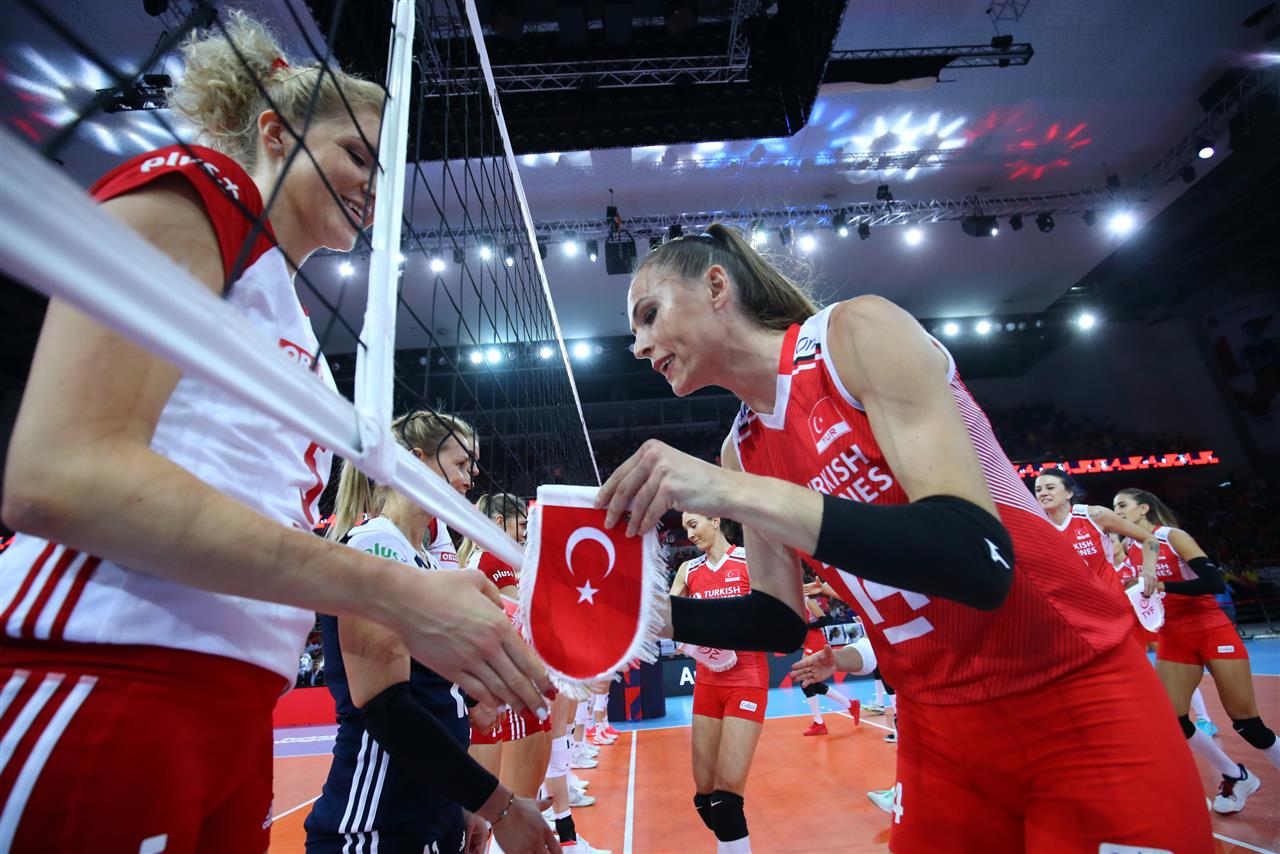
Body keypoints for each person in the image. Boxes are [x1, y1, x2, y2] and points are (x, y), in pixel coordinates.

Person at [0, 12, 550, 852]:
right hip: (106, 668)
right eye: (356, 154)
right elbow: (57, 475)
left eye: (385, 170)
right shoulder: (199, 194)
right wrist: (397, 594)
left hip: (236, 705)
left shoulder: (301, 339)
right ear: (273, 132)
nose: (374, 187)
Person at [597, 224, 1212, 851]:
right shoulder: (742, 449)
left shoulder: (853, 334)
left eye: (649, 315)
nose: (639, 346)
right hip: (936, 726)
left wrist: (734, 492)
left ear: (716, 287)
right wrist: (640, 614)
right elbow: (778, 620)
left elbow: (976, 557)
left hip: (1070, 692)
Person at [305, 411, 557, 853]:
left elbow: (431, 694)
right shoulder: (375, 545)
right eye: (460, 463)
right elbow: (388, 709)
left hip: (430, 807)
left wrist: (460, 802)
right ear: (416, 460)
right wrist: (499, 805)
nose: (470, 479)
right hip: (377, 822)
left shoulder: (420, 558)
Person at [1113, 488, 1278, 814]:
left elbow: (1214, 583)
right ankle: (1236, 775)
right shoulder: (1129, 548)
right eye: (1113, 507)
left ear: (1143, 508)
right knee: (1173, 719)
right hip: (1173, 636)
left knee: (1247, 724)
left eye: (1122, 505)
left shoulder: (1173, 537)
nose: (1116, 512)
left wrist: (1162, 585)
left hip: (1211, 631)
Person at [666, 512, 767, 853]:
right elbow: (669, 618)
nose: (690, 534)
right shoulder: (688, 570)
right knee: (705, 799)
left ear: (715, 519)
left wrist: (732, 631)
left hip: (746, 679)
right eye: (685, 528)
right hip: (707, 683)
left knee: (726, 802)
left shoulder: (749, 561)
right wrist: (688, 640)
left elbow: (775, 617)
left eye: (693, 525)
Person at [797, 595, 857, 736]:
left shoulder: (807, 600)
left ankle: (819, 723)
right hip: (808, 642)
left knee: (805, 681)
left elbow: (825, 620)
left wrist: (805, 627)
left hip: (815, 641)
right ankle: (850, 704)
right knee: (811, 683)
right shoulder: (795, 601)